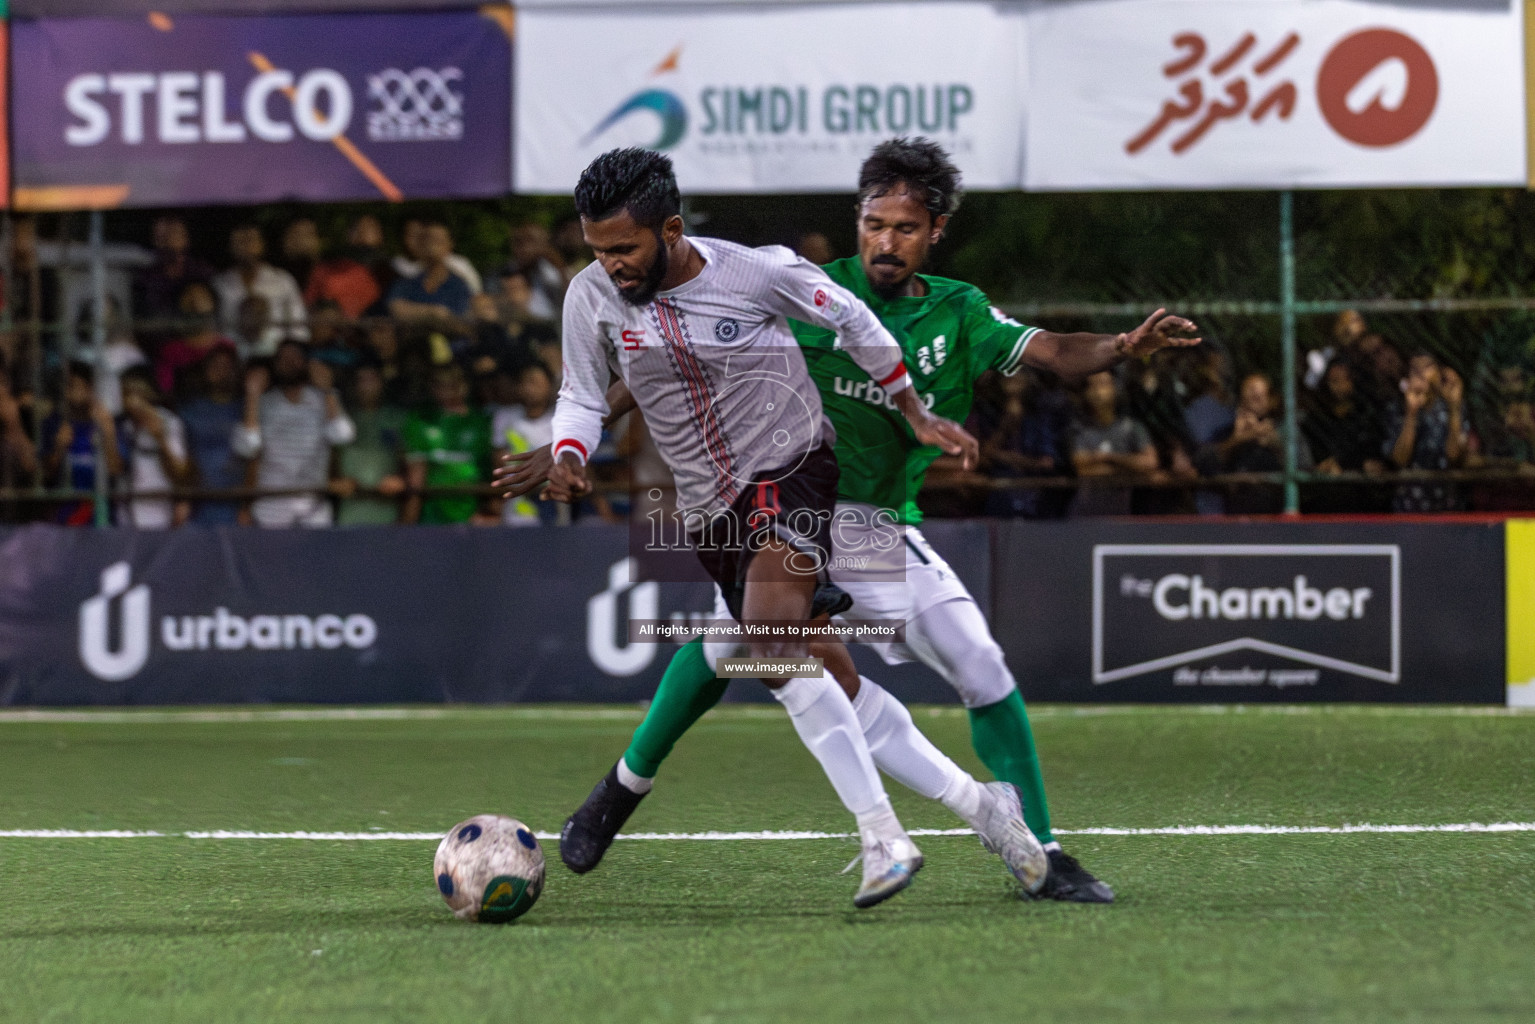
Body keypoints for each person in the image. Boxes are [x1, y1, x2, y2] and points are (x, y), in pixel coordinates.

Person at [502, 138, 1201, 902]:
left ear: (934, 231)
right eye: (873, 223)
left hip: (858, 519)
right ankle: (629, 795)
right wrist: (573, 441)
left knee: (959, 665)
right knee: (758, 649)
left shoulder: (953, 312)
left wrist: (1122, 346)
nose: (884, 240)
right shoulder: (795, 286)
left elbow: (1052, 349)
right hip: (757, 507)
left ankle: (1030, 847)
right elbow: (658, 363)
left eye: (904, 227)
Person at [542, 147, 1002, 909]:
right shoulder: (590, 296)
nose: (610, 265)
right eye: (596, 250)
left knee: (768, 641)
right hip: (707, 508)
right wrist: (567, 450)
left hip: (791, 468)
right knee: (810, 673)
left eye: (623, 248)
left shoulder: (756, 273)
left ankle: (881, 836)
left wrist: (913, 410)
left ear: (672, 228)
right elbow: (581, 394)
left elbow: (853, 319)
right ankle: (983, 808)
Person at [232, 339, 355, 527]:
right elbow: (247, 448)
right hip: (270, 513)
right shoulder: (264, 403)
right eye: (283, 358)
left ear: (306, 363)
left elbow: (342, 436)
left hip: (314, 512)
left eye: (295, 357)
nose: (289, 363)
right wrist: (252, 395)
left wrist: (328, 389)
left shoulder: (324, 399)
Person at [402, 363, 494, 525]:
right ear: (431, 387)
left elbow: (492, 471)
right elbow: (416, 479)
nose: (445, 390)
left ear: (464, 385)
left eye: (451, 384)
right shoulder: (419, 421)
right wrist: (407, 528)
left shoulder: (482, 423)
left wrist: (489, 513)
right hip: (431, 520)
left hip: (473, 520)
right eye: (439, 384)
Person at [41, 360, 123, 525]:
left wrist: (108, 437)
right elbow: (45, 475)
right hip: (65, 519)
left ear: (92, 388)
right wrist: (58, 448)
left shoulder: (107, 422)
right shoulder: (53, 423)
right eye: (70, 386)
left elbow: (116, 472)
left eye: (82, 386)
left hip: (100, 519)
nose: (76, 392)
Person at [1385, 351, 1468, 512]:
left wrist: (1454, 408)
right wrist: (1411, 413)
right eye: (1415, 368)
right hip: (1409, 505)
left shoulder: (1451, 405)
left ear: (1439, 372)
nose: (1420, 373)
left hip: (1447, 505)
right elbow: (1400, 459)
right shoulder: (1396, 408)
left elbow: (1454, 456)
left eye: (1427, 367)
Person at [1301, 359, 1386, 513]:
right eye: (1333, 381)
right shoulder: (1317, 418)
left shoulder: (1366, 412)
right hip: (1326, 484)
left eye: (1344, 379)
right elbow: (1317, 456)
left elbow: (1369, 449)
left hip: (1360, 485)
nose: (1339, 386)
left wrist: (1344, 463)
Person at [1069, 370, 1158, 515]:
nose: (1097, 391)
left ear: (1116, 388)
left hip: (1122, 513)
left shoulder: (1132, 427)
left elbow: (1150, 462)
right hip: (1085, 513)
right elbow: (1082, 468)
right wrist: (1130, 470)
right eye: (1092, 385)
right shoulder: (1080, 429)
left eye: (1103, 384)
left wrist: (1107, 458)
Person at [212, 226, 308, 356]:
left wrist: (291, 351)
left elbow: (299, 325)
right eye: (240, 241)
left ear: (262, 244)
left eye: (251, 239)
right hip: (231, 357)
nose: (246, 246)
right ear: (230, 247)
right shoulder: (219, 284)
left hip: (275, 356)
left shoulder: (283, 280)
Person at [178, 347, 246, 526]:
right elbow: (184, 455)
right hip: (200, 505)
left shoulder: (247, 410)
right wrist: (183, 499)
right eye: (215, 365)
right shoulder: (190, 411)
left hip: (237, 504)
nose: (220, 371)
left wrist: (246, 506)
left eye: (226, 366)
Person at [115, 366, 189, 529]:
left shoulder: (169, 422)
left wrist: (160, 439)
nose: (133, 401)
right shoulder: (123, 425)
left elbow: (180, 472)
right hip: (127, 516)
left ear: (150, 393)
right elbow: (116, 469)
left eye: (138, 394)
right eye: (127, 394)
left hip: (161, 514)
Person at [335, 359, 407, 526]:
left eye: (372, 379)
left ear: (382, 383)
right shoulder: (342, 420)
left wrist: (401, 480)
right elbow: (330, 465)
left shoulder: (398, 419)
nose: (367, 386)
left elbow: (408, 465)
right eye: (361, 380)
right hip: (349, 515)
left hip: (387, 515)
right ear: (353, 386)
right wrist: (335, 483)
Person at [494, 362, 558, 526]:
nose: (530, 388)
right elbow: (499, 464)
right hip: (515, 507)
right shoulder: (504, 418)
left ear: (549, 386)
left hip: (552, 504)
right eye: (525, 382)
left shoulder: (561, 420)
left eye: (535, 382)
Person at [387, 221, 473, 338]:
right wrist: (434, 313)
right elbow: (396, 309)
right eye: (427, 240)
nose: (432, 246)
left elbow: (462, 324)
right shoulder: (408, 282)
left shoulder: (459, 285)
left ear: (449, 245)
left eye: (438, 241)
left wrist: (417, 314)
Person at [154, 283, 237, 399]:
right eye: (188, 296)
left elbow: (233, 386)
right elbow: (166, 389)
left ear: (213, 303)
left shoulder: (226, 345)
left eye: (201, 297)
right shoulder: (171, 349)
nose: (194, 302)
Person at [305, 215, 388, 319]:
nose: (362, 234)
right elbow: (310, 302)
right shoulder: (327, 268)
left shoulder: (388, 271)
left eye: (370, 228)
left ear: (381, 235)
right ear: (349, 234)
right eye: (357, 229)